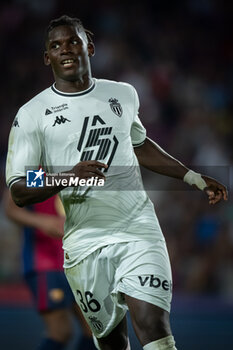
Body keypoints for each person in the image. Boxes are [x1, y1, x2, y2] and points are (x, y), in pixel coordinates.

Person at [5, 15, 228, 350]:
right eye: (56, 45)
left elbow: (140, 145)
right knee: (111, 342)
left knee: (153, 324)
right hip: (84, 243)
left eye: (73, 41)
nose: (66, 49)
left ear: (89, 47)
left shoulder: (122, 94)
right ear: (46, 57)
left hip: (138, 227)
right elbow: (20, 186)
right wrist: (67, 176)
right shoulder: (32, 114)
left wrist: (192, 176)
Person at [4, 190, 96, 350]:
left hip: (81, 259)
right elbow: (11, 207)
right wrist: (43, 222)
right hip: (46, 261)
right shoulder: (39, 172)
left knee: (95, 331)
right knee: (60, 331)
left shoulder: (84, 169)